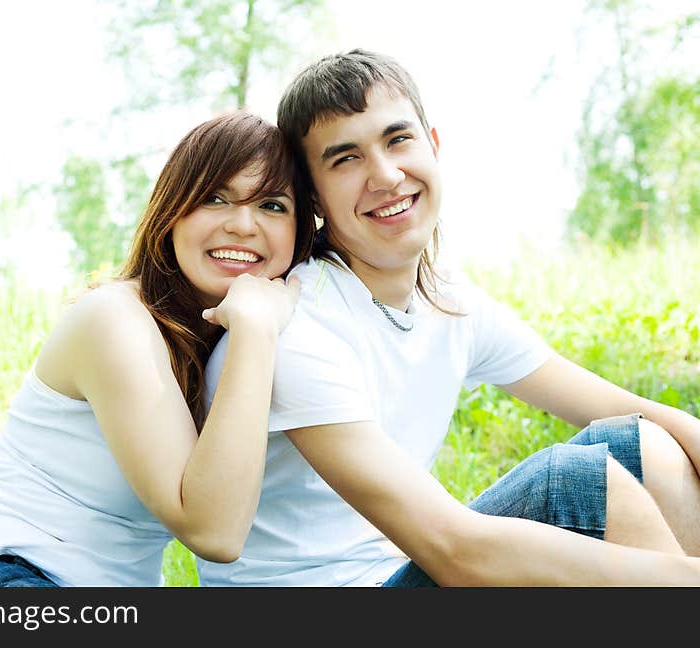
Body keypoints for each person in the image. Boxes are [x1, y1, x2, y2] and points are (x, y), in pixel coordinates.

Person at [197, 49, 700, 586]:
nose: (386, 176)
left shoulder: (446, 301)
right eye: (346, 159)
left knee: (644, 444)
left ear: (433, 145)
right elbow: (455, 553)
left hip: (395, 576)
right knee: (579, 484)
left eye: (398, 140)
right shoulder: (298, 330)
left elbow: (631, 413)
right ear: (313, 195)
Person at [0, 111, 315, 587]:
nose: (242, 225)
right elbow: (216, 533)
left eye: (272, 205)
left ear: (300, 231)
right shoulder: (114, 319)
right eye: (214, 198)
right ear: (172, 211)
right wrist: (255, 329)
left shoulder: (237, 338)